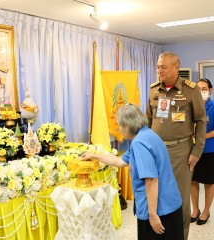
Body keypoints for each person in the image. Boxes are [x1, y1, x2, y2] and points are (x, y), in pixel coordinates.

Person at [82, 104, 184, 240]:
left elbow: (151, 180)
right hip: (170, 203)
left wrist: (152, 215)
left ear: (128, 125)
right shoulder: (148, 135)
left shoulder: (139, 143)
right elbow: (120, 162)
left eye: (120, 126)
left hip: (159, 210)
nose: (119, 130)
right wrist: (94, 156)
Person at [147, 52, 206, 240]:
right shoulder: (154, 89)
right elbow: (149, 120)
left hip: (181, 151)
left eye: (163, 67)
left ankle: (180, 236)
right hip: (156, 150)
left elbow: (201, 121)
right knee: (156, 194)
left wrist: (197, 151)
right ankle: (161, 233)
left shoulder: (191, 90)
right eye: (158, 66)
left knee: (179, 198)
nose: (159, 70)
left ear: (176, 67)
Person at [190, 78, 214, 225]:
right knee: (193, 180)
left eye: (204, 88)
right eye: (198, 88)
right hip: (192, 150)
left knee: (209, 182)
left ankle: (206, 211)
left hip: (209, 149)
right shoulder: (191, 106)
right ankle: (195, 210)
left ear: (210, 90)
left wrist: (203, 136)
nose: (201, 91)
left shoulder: (213, 106)